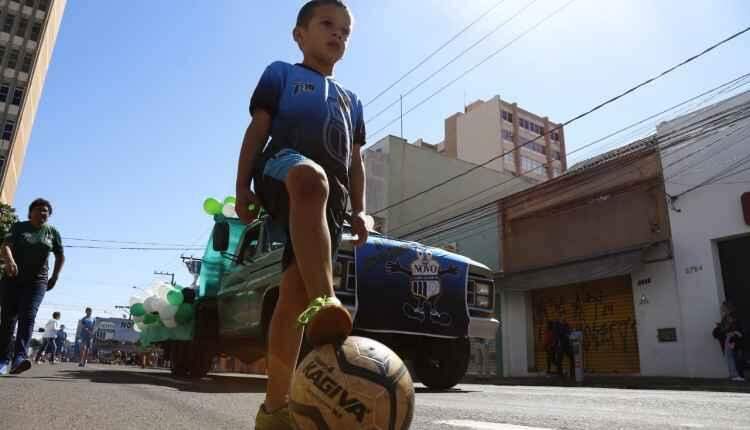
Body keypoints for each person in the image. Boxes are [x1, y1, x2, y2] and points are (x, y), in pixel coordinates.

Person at [234, 1, 368, 428]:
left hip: (330, 203)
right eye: (327, 25)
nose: (337, 35)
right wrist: (240, 187)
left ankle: (274, 411)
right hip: (282, 169)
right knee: (310, 178)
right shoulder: (281, 73)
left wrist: (361, 211)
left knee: (292, 298)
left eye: (345, 31)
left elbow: (355, 161)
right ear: (300, 34)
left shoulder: (352, 100)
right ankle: (327, 300)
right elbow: (257, 128)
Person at [0, 198, 65, 375]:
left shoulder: (52, 233)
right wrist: (10, 262)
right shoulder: (19, 227)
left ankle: (19, 358)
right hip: (12, 278)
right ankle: (3, 360)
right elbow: (5, 246)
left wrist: (55, 277)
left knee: (27, 316)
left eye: (46, 211)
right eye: (39, 209)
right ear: (30, 213)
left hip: (37, 282)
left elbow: (60, 256)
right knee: (8, 319)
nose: (43, 213)